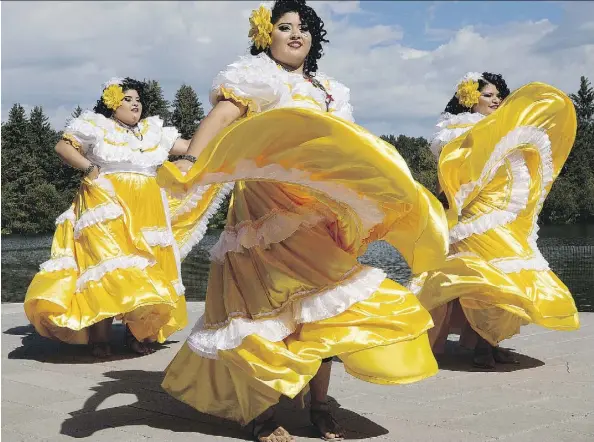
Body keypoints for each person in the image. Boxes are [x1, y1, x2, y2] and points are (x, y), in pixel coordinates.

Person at [159, 1, 449, 441]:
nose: (296, 34)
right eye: (285, 27)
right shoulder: (255, 76)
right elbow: (221, 116)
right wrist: (192, 162)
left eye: (305, 28)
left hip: (319, 209)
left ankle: (319, 404)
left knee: (327, 304)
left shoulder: (329, 89)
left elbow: (348, 149)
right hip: (265, 209)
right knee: (262, 309)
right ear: (266, 35)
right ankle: (262, 412)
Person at [24, 77, 227, 358]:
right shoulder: (96, 125)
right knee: (107, 266)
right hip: (106, 205)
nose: (135, 105)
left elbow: (192, 145)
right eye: (128, 99)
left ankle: (137, 334)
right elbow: (64, 147)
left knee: (144, 270)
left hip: (147, 209)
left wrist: (227, 123)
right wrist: (89, 168)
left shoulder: (153, 132)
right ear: (112, 103)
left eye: (138, 100)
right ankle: (100, 338)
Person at [410, 72, 581, 369]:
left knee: (503, 276)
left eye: (498, 95)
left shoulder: (500, 128)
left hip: (502, 214)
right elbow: (451, 175)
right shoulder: (456, 131)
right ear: (470, 98)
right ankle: (481, 347)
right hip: (474, 218)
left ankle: (488, 342)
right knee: (487, 280)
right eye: (488, 95)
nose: (496, 100)